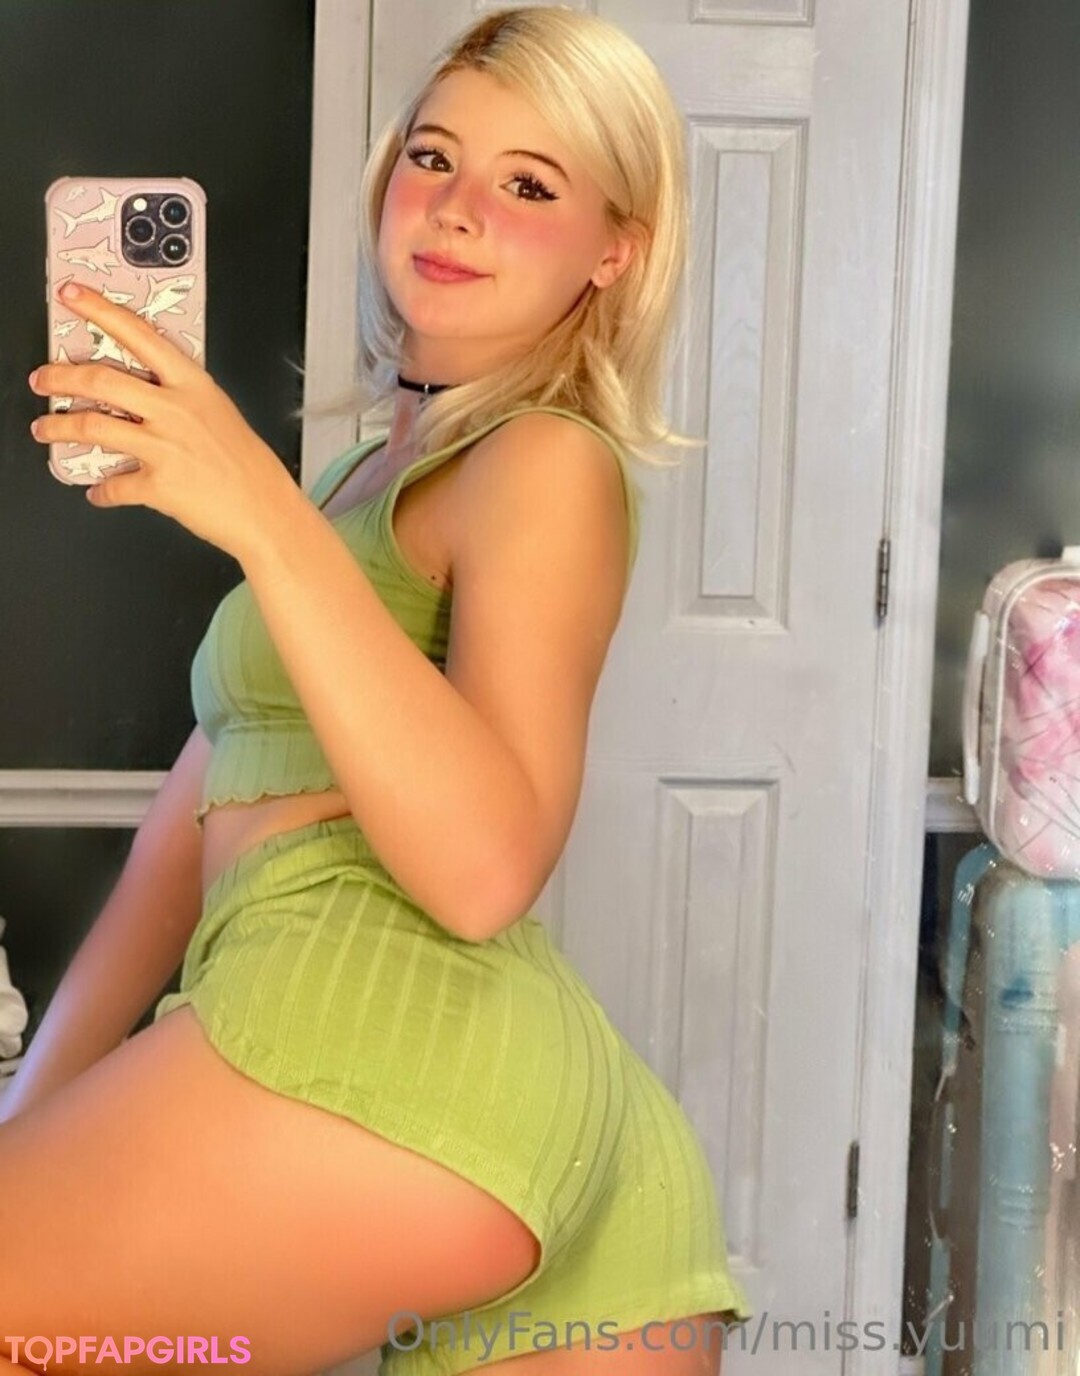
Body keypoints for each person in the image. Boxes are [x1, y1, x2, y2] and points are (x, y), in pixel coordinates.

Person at [4, 7, 751, 1374]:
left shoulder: (546, 458)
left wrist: (254, 509)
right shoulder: (361, 484)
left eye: (531, 185)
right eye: (434, 157)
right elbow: (172, 859)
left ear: (616, 251)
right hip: (497, 1104)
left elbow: (484, 871)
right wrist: (28, 1127)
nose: (458, 208)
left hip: (380, 1033)